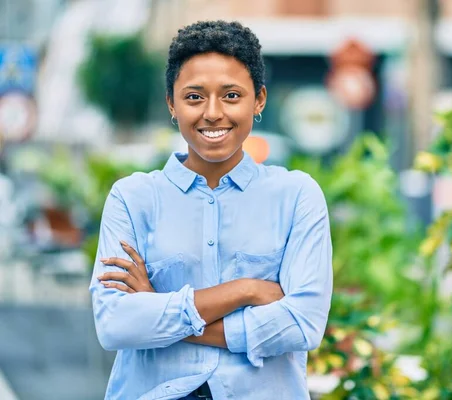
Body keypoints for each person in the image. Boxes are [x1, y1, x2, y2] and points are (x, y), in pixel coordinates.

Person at [89, 20, 333, 400]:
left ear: (259, 100)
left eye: (232, 95)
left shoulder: (297, 195)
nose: (213, 113)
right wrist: (245, 290)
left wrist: (159, 309)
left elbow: (302, 325)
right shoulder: (133, 198)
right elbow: (115, 324)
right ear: (172, 103)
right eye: (194, 97)